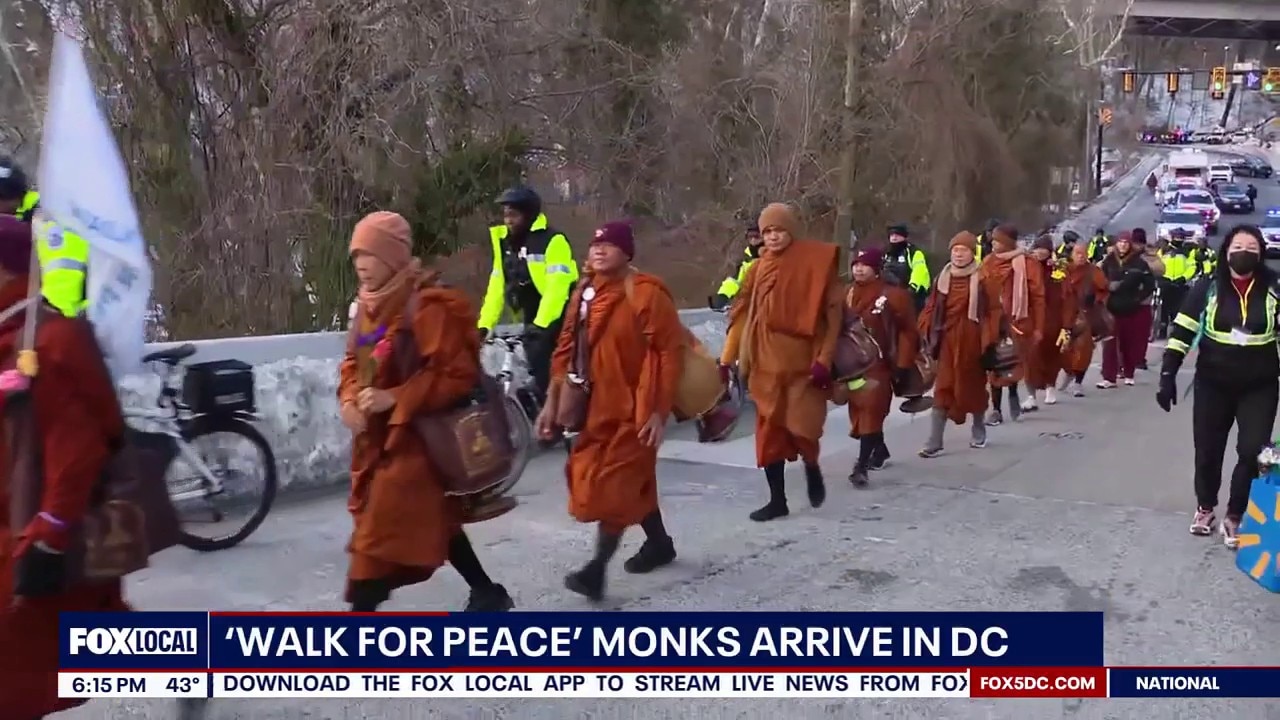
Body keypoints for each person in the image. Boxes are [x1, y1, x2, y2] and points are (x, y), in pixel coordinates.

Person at [339, 211, 513, 613]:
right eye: (357, 257)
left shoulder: (429, 305)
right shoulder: (368, 309)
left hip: (421, 441)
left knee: (377, 537)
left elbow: (457, 373)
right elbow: (354, 363)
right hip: (379, 440)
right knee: (437, 517)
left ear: (395, 258)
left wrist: (397, 396)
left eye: (373, 255)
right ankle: (487, 592)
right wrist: (350, 398)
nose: (363, 265)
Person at [0, 216, 138, 719]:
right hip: (16, 527)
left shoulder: (47, 343)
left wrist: (49, 534)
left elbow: (76, 450)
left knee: (22, 669)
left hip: (38, 534)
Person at [537, 222, 683, 600]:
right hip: (595, 408)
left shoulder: (647, 294)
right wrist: (552, 403)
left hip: (637, 408)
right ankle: (660, 543)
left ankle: (596, 570)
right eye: (595, 243)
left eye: (610, 244)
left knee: (616, 487)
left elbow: (668, 354)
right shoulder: (584, 293)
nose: (599, 250)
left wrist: (657, 411)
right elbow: (565, 347)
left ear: (627, 252)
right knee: (621, 481)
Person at [1157, 224, 1279, 549]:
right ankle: (1205, 507)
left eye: (1252, 248)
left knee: (1254, 452)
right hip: (1213, 382)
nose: (1244, 253)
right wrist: (1168, 373)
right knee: (1208, 449)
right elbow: (1183, 330)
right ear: (1226, 250)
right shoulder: (1208, 287)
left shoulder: (1274, 288)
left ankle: (1235, 514)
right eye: (1238, 246)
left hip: (1260, 384)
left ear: (1261, 253)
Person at [719, 203, 842, 521]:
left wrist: (824, 359)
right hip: (765, 364)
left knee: (804, 430)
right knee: (769, 436)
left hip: (803, 366)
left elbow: (833, 317)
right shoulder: (757, 269)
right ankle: (778, 501)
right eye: (767, 232)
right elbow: (742, 314)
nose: (772, 237)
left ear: (792, 230)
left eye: (779, 230)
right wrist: (727, 359)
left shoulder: (815, 265)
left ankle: (812, 468)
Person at [477, 186, 578, 403]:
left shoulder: (553, 240)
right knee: (524, 370)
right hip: (531, 314)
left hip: (562, 313)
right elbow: (496, 286)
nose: (508, 221)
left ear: (529, 215)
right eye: (505, 215)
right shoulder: (505, 243)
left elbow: (557, 288)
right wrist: (484, 325)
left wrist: (542, 326)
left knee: (551, 366)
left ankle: (565, 418)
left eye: (514, 215)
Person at [917, 232, 1003, 457]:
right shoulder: (942, 277)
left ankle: (978, 427)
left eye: (963, 250)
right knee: (943, 387)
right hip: (946, 341)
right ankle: (934, 441)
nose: (958, 254)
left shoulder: (983, 277)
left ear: (971, 252)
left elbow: (994, 310)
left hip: (973, 341)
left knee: (972, 386)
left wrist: (990, 337)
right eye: (955, 250)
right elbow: (931, 306)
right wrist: (925, 326)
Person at [843, 247, 918, 486]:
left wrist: (904, 363)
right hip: (850, 365)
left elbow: (908, 332)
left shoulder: (894, 295)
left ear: (876, 269)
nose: (859, 269)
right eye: (856, 264)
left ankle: (861, 466)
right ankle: (880, 449)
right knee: (859, 412)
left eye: (865, 265)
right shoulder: (846, 293)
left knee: (871, 410)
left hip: (880, 363)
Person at [0, 157, 89, 317]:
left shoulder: (49, 219)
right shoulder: (17, 223)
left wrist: (50, 320)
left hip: (75, 324)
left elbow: (63, 280)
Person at [982, 224, 1045, 422]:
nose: (993, 244)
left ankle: (1013, 393)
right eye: (992, 240)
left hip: (1018, 321)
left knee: (1011, 361)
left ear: (1008, 243)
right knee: (993, 363)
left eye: (997, 241)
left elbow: (1038, 296)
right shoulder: (988, 262)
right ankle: (996, 410)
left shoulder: (1027, 263)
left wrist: (1039, 327)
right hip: (992, 320)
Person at [1097, 231, 1156, 388]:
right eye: (1120, 242)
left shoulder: (1139, 263)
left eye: (1126, 242)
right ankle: (1109, 377)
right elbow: (1099, 279)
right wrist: (1107, 286)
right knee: (1109, 344)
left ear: (1130, 245)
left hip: (1130, 307)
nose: (1122, 245)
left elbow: (1150, 284)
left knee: (1128, 342)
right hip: (1111, 307)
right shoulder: (1109, 261)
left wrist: (1138, 298)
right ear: (1116, 244)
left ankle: (1129, 373)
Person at [1059, 242, 1110, 397]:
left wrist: (1097, 302)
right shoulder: (1063, 270)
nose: (1081, 256)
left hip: (1085, 315)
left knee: (1083, 350)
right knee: (1062, 350)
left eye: (1083, 253)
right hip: (1064, 315)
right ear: (1071, 255)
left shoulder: (1093, 271)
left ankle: (1078, 382)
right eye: (1077, 253)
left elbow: (1104, 289)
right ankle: (1069, 372)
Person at [1028, 235, 1069, 405]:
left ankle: (1050, 387)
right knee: (1031, 357)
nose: (1040, 252)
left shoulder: (1057, 269)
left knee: (1052, 355)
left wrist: (1066, 324)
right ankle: (1031, 394)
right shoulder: (1027, 267)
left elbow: (1067, 295)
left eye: (1044, 249)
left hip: (1052, 317)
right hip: (1031, 317)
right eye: (1037, 248)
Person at [1130, 228, 1164, 370]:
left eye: (1140, 243)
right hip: (1125, 299)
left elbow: (1161, 269)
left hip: (1144, 300)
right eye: (1135, 243)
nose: (1137, 246)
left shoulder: (1150, 256)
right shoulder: (1124, 254)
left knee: (1142, 332)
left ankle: (1139, 358)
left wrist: (1145, 264)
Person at [710, 224, 763, 310]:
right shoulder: (748, 259)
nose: (753, 240)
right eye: (750, 237)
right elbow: (735, 280)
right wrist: (723, 295)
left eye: (757, 236)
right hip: (754, 303)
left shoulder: (775, 255)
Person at [881, 224, 931, 310]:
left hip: (910, 295)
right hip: (887, 294)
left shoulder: (913, 252)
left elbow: (920, 271)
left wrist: (912, 288)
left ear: (904, 237)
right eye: (892, 235)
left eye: (897, 235)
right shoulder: (885, 253)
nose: (894, 238)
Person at [1154, 230, 1192, 340]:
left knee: (1178, 310)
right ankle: (1162, 332)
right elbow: (1157, 263)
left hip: (1180, 284)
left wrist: (1184, 278)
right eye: (1176, 237)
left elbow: (1192, 267)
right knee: (1164, 309)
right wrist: (1160, 276)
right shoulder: (1164, 250)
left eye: (1181, 238)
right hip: (1165, 282)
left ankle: (1176, 333)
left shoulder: (1187, 252)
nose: (1178, 240)